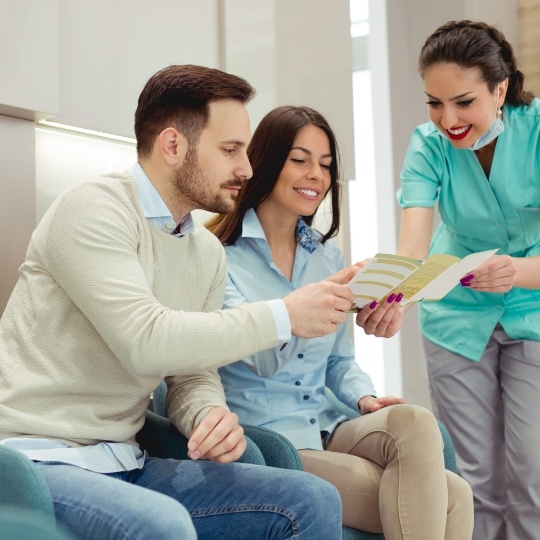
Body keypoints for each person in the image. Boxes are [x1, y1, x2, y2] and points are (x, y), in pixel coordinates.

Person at [0, 65, 353, 540]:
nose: (247, 169)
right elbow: (145, 341)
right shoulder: (93, 210)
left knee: (310, 499)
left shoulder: (204, 251)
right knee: (161, 524)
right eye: (230, 150)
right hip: (38, 460)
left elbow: (191, 372)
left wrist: (206, 414)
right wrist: (284, 315)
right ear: (173, 146)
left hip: (127, 459)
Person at [208, 105, 474, 539]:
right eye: (300, 160)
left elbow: (339, 361)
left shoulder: (326, 255)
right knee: (454, 498)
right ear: (267, 160)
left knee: (417, 422)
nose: (316, 173)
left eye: (326, 164)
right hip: (271, 440)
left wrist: (364, 397)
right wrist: (309, 304)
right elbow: (261, 361)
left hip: (328, 423)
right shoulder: (218, 256)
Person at [379, 20, 540, 540]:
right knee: (474, 480)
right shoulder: (428, 146)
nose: (447, 120)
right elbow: (412, 247)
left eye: (463, 102)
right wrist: (394, 298)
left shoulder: (537, 132)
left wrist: (516, 272)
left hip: (533, 305)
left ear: (500, 88)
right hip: (455, 313)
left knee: (534, 474)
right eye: (434, 103)